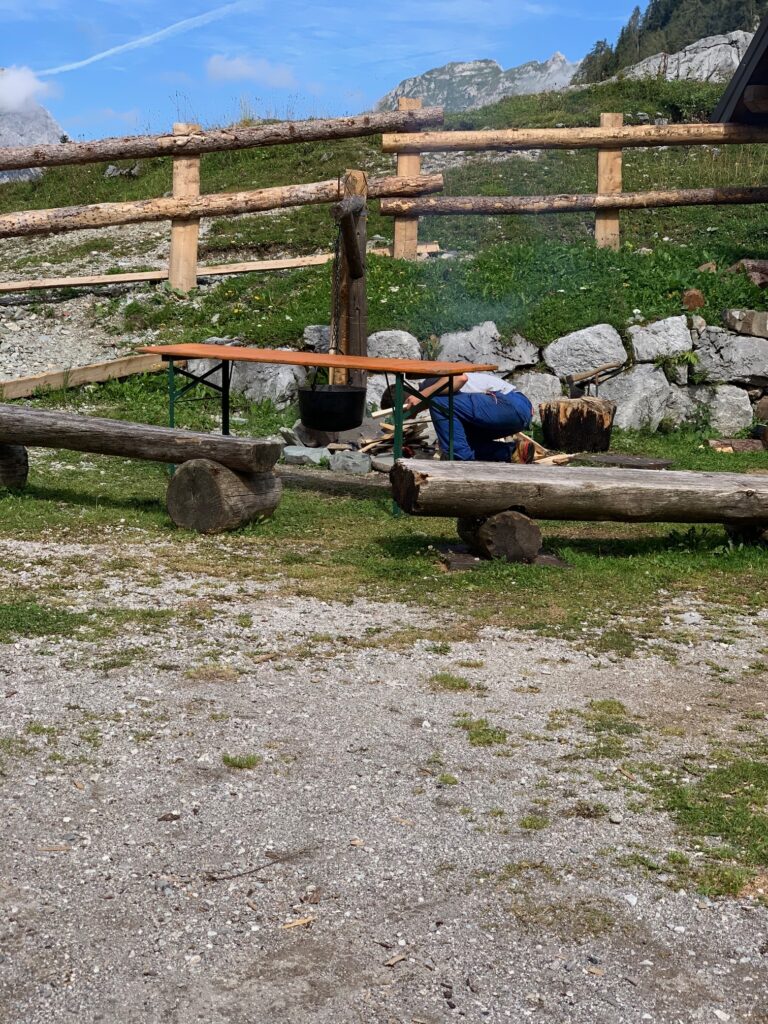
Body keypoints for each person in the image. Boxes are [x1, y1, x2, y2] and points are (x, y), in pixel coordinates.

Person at [385, 371, 535, 462]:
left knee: (438, 402)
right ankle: (513, 452)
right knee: (458, 438)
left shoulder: (429, 384)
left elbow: (460, 378)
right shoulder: (431, 391)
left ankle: (460, 461)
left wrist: (423, 396)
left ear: (407, 402)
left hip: (511, 404)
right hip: (516, 413)